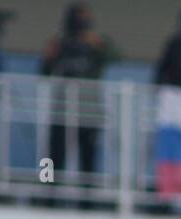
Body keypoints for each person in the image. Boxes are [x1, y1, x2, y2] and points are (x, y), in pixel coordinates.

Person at [39, 3, 116, 205]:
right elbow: (44, 73)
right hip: (62, 110)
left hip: (89, 111)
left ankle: (87, 203)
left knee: (88, 160)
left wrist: (97, 44)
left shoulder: (95, 45)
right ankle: (48, 199)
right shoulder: (60, 44)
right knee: (54, 158)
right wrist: (49, 54)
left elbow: (115, 56)